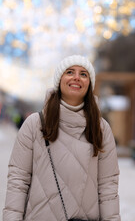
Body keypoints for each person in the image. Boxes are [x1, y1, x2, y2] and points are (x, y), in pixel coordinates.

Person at [3, 55, 121, 221]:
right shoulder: (34, 124)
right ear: (59, 80)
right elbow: (18, 180)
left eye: (84, 74)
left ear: (89, 84)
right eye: (70, 72)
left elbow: (108, 186)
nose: (76, 78)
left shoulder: (101, 128)